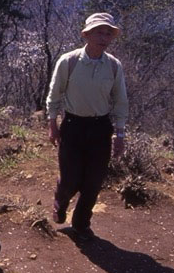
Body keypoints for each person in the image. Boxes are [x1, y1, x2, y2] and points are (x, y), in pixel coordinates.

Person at [45, 12, 128, 242]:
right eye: (99, 32)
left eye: (108, 33)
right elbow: (54, 94)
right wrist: (52, 123)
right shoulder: (69, 61)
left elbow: (120, 101)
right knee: (70, 178)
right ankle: (60, 203)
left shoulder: (113, 66)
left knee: (93, 181)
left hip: (100, 127)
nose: (103, 37)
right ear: (86, 34)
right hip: (72, 125)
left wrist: (119, 134)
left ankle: (82, 223)